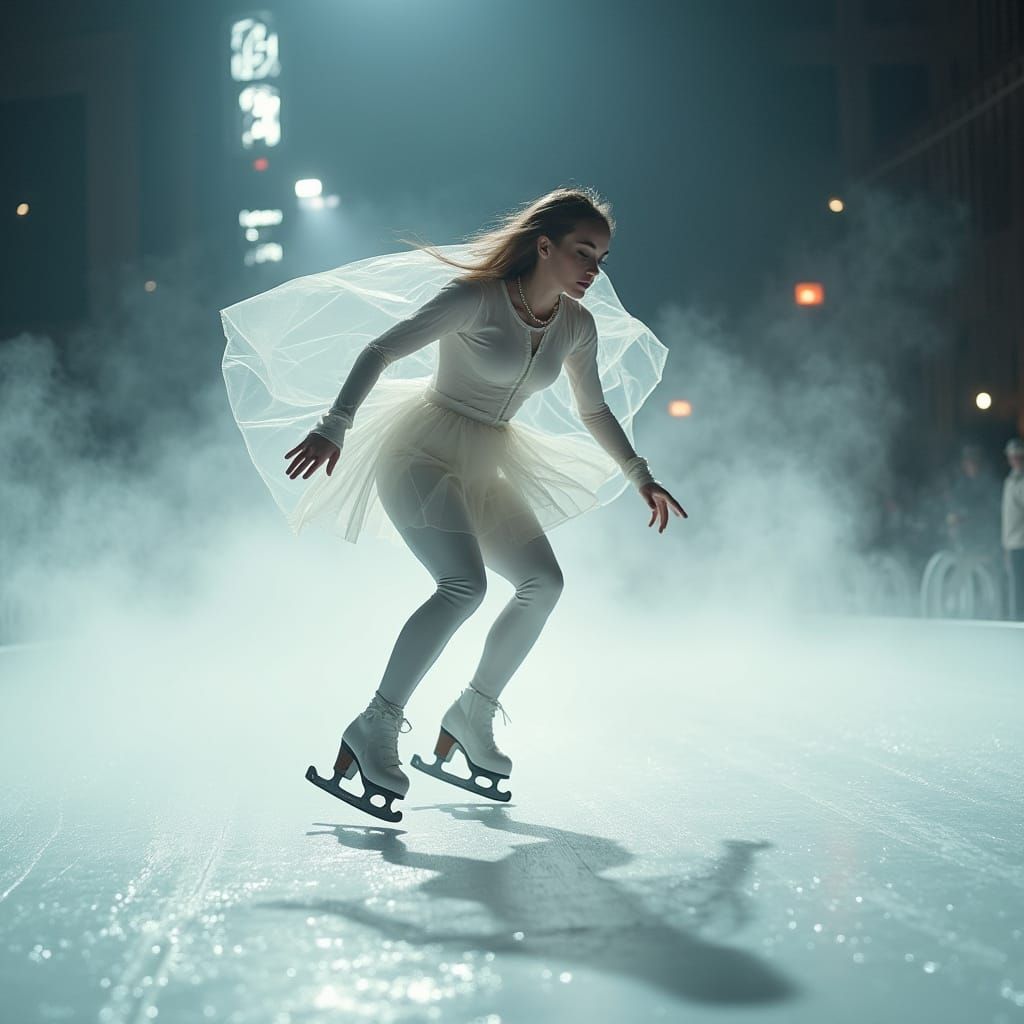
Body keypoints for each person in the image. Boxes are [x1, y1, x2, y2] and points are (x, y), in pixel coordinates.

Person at [220, 187, 686, 822]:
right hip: (420, 453)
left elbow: (593, 408)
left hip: (488, 461)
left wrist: (641, 476)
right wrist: (336, 423)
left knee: (543, 583)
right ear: (544, 245)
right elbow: (381, 349)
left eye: (601, 258)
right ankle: (375, 724)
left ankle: (473, 712)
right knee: (462, 585)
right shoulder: (477, 297)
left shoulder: (577, 325)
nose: (593, 270)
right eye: (583, 252)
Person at [1002, 437, 1024, 620]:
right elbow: (1007, 518)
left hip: (1022, 542)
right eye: (1013, 456)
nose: (1015, 459)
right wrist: (1005, 545)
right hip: (1012, 542)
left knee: (1020, 585)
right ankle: (1016, 618)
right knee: (1015, 584)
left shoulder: (1021, 481)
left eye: (1019, 456)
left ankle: (1019, 618)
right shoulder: (1010, 480)